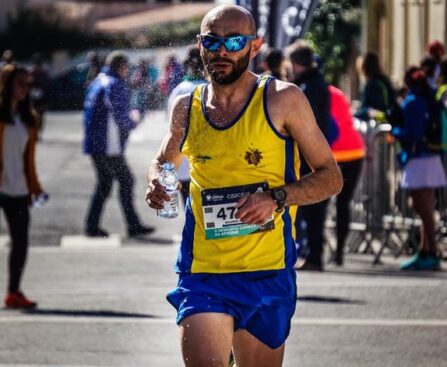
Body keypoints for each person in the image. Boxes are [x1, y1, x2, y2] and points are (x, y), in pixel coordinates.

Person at [145, 5, 342, 366]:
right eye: (212, 41)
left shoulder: (283, 99)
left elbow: (330, 176)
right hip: (203, 272)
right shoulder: (185, 106)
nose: (222, 50)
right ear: (199, 44)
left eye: (234, 41)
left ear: (255, 46)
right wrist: (158, 181)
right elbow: (162, 162)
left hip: (265, 273)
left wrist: (276, 197)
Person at [83, 51, 154, 238]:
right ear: (121, 67)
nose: (127, 73)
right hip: (108, 146)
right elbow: (122, 118)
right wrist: (135, 119)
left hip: (97, 143)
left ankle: (97, 225)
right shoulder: (114, 84)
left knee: (108, 183)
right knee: (125, 181)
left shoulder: (98, 81)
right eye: (127, 68)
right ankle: (131, 225)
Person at [392, 67, 446, 270]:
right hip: (431, 157)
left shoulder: (413, 101)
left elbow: (412, 133)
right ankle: (425, 250)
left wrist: (396, 130)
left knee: (422, 208)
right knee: (426, 208)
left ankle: (430, 252)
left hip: (419, 159)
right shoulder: (430, 98)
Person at [0, 64, 46, 308]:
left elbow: (28, 161)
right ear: (7, 84)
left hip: (18, 189)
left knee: (20, 242)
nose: (24, 88)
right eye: (19, 83)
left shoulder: (29, 119)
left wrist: (35, 187)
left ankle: (13, 292)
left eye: (26, 84)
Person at [288, 41, 331, 271]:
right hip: (311, 149)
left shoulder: (307, 87)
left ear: (295, 63)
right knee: (310, 206)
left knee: (311, 205)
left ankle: (314, 255)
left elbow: (302, 123)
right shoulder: (315, 82)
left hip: (308, 152)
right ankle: (312, 253)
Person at [329, 85, 365, 265]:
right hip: (355, 151)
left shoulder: (308, 93)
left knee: (319, 204)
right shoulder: (337, 92)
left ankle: (317, 251)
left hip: (334, 154)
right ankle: (339, 253)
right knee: (344, 204)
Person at [166, 46, 207, 206]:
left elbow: (171, 128)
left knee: (190, 213)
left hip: (181, 162)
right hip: (206, 165)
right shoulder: (209, 90)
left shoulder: (178, 90)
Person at [355, 51, 399, 123]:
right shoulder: (385, 81)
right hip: (389, 122)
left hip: (378, 125)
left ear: (364, 67)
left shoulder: (372, 84)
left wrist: (357, 114)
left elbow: (373, 110)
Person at [28, 53, 51, 137]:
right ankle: (32, 131)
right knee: (32, 115)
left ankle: (38, 132)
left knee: (40, 116)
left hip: (41, 99)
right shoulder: (30, 72)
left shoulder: (44, 73)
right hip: (31, 99)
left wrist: (46, 102)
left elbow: (48, 88)